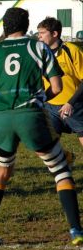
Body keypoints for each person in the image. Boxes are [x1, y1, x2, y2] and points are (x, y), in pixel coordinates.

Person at [0, 7, 83, 246]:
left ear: (4, 26)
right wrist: (41, 99)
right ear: (26, 26)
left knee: (2, 171)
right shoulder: (37, 47)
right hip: (30, 115)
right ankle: (76, 231)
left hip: (1, 119)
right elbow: (58, 87)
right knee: (60, 169)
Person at [37, 17, 82, 162]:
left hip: (75, 106)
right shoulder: (40, 54)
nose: (39, 36)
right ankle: (67, 158)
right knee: (44, 146)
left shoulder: (71, 50)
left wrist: (71, 103)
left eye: (42, 33)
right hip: (50, 107)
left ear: (55, 34)